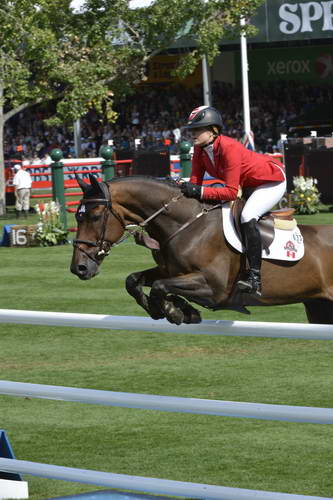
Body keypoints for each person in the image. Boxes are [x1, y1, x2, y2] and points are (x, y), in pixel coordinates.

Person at [180, 106, 286, 297]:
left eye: (197, 129)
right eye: (191, 130)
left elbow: (229, 193)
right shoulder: (199, 150)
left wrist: (199, 191)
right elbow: (195, 184)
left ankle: (255, 277)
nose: (192, 134)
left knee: (247, 215)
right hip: (248, 184)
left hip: (271, 180)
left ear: (213, 130)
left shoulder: (230, 147)